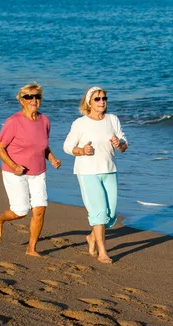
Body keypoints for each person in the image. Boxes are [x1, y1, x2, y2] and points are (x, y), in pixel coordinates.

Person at [0, 83, 61, 256]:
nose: (34, 100)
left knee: (40, 209)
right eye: (29, 97)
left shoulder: (45, 121)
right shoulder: (13, 121)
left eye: (37, 96)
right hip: (15, 172)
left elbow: (42, 145)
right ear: (22, 100)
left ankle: (31, 248)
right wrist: (14, 166)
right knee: (20, 211)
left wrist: (51, 158)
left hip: (39, 172)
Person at [63, 86, 128, 264]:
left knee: (111, 214)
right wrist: (82, 150)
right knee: (98, 212)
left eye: (104, 98)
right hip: (87, 172)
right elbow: (67, 147)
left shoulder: (112, 120)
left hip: (109, 170)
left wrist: (119, 144)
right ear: (88, 102)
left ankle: (92, 237)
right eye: (97, 99)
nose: (102, 102)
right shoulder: (80, 123)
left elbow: (123, 145)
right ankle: (102, 252)